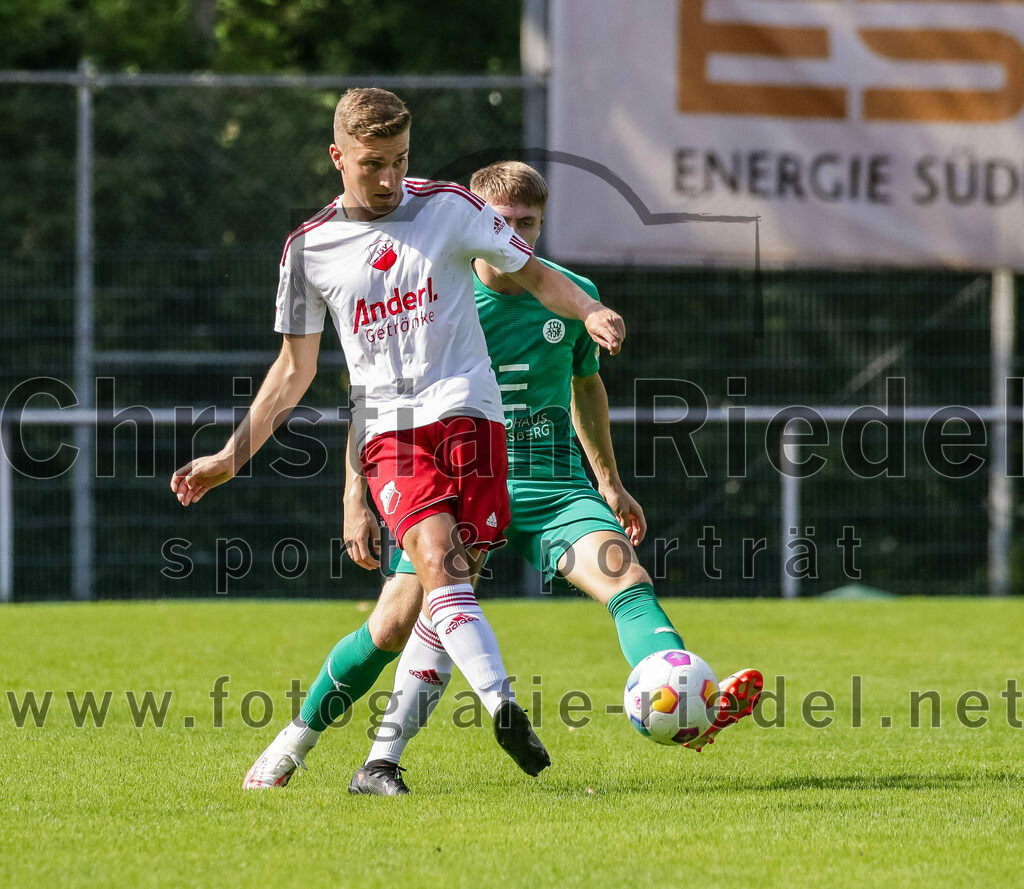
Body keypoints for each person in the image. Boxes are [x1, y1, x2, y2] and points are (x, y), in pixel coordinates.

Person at [168, 90, 626, 789]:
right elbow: (292, 372)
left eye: (400, 161)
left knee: (411, 613)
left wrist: (590, 308)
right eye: (372, 164)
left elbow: (535, 274)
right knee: (439, 565)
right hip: (391, 432)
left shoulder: (450, 208)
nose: (388, 180)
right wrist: (232, 456)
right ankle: (500, 703)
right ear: (337, 156)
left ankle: (342, 754)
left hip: (475, 422)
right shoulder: (310, 249)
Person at [338, 161, 763, 795]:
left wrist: (610, 483)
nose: (517, 234)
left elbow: (585, 386)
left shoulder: (567, 292)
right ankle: (341, 750)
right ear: (477, 221)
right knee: (396, 624)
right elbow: (374, 395)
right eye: (503, 222)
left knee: (627, 576)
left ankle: (686, 702)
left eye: (528, 223)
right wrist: (355, 495)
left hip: (551, 484)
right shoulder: (434, 292)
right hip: (452, 484)